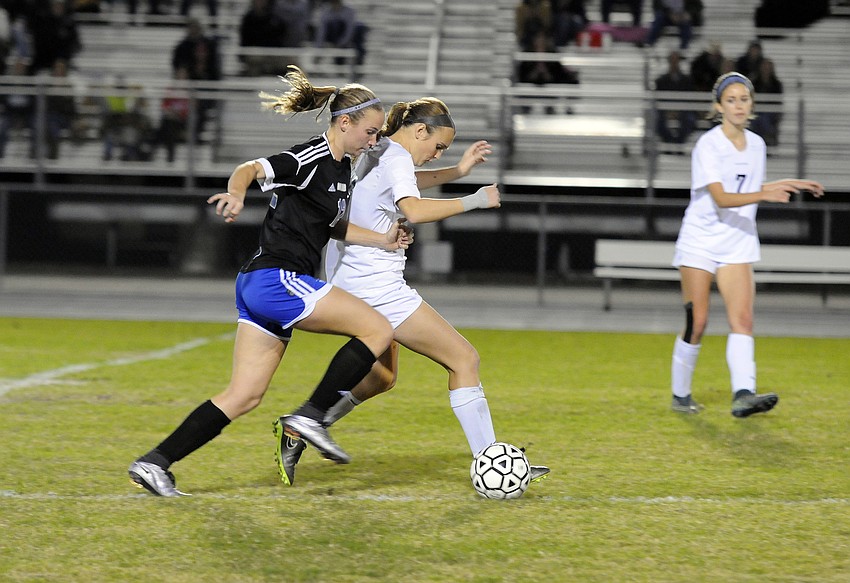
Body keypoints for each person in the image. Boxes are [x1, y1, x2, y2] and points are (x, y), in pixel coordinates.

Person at [128, 65, 411, 497]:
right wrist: (238, 192)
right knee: (377, 328)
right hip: (277, 279)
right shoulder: (310, 157)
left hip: (260, 285)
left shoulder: (341, 170)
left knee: (243, 396)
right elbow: (250, 168)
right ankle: (311, 415)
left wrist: (383, 240)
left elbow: (330, 227)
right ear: (344, 122)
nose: (374, 142)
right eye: (370, 132)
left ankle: (155, 463)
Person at [273, 96, 550, 487]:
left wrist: (458, 169)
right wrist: (474, 200)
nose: (436, 155)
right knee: (464, 359)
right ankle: (491, 464)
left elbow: (407, 183)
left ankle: (305, 425)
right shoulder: (397, 157)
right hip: (378, 286)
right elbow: (415, 208)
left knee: (382, 378)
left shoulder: (379, 148)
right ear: (420, 130)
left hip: (352, 280)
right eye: (437, 147)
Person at [669, 72, 824, 417]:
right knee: (698, 322)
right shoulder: (708, 145)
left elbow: (747, 184)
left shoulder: (757, 144)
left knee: (743, 320)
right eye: (731, 100)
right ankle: (680, 395)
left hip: (737, 238)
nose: (739, 106)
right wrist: (767, 193)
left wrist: (786, 182)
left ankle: (743, 394)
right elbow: (722, 197)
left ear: (752, 104)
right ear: (718, 106)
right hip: (701, 239)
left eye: (744, 99)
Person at [653, 50, 695, 145]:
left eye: (676, 60)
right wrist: (668, 110)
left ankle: (679, 144)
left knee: (689, 119)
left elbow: (689, 98)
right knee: (658, 120)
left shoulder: (687, 80)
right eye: (672, 60)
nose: (674, 63)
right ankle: (669, 143)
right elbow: (659, 99)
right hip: (665, 110)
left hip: (683, 110)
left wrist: (678, 110)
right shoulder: (661, 81)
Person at [238, 0, 287, 77]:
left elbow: (280, 40)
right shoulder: (248, 19)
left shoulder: (276, 19)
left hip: (273, 54)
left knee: (293, 64)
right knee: (254, 59)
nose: (260, 2)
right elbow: (245, 41)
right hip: (255, 54)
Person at [749, 58, 783, 146]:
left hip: (770, 112)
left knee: (764, 119)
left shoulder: (776, 84)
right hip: (756, 111)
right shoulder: (754, 82)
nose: (766, 69)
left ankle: (765, 140)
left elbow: (778, 102)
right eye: (764, 67)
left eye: (768, 67)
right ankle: (763, 140)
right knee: (758, 119)